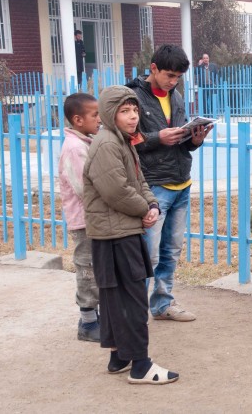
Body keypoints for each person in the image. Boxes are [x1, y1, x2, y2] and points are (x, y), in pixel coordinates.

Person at [83, 85, 179, 384]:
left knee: (116, 298)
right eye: (125, 111)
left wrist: (150, 203)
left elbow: (139, 181)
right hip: (115, 235)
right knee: (131, 298)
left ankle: (119, 356)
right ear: (111, 114)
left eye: (135, 110)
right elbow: (116, 191)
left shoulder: (122, 141)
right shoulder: (108, 145)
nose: (133, 116)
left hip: (119, 230)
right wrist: (144, 210)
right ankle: (141, 365)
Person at [126, 44, 210, 322]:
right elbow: (125, 139)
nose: (173, 82)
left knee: (170, 252)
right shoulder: (132, 97)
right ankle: (134, 311)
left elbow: (182, 141)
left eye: (178, 77)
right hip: (153, 186)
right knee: (147, 254)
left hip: (180, 182)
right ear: (153, 68)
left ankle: (162, 304)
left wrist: (194, 139)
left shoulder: (177, 97)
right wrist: (156, 138)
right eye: (169, 75)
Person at [59, 93, 101, 342]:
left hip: (94, 219)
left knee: (98, 268)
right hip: (85, 221)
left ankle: (99, 317)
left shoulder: (85, 142)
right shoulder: (74, 149)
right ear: (78, 119)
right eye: (94, 115)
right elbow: (84, 189)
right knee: (87, 270)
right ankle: (87, 323)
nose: (99, 119)